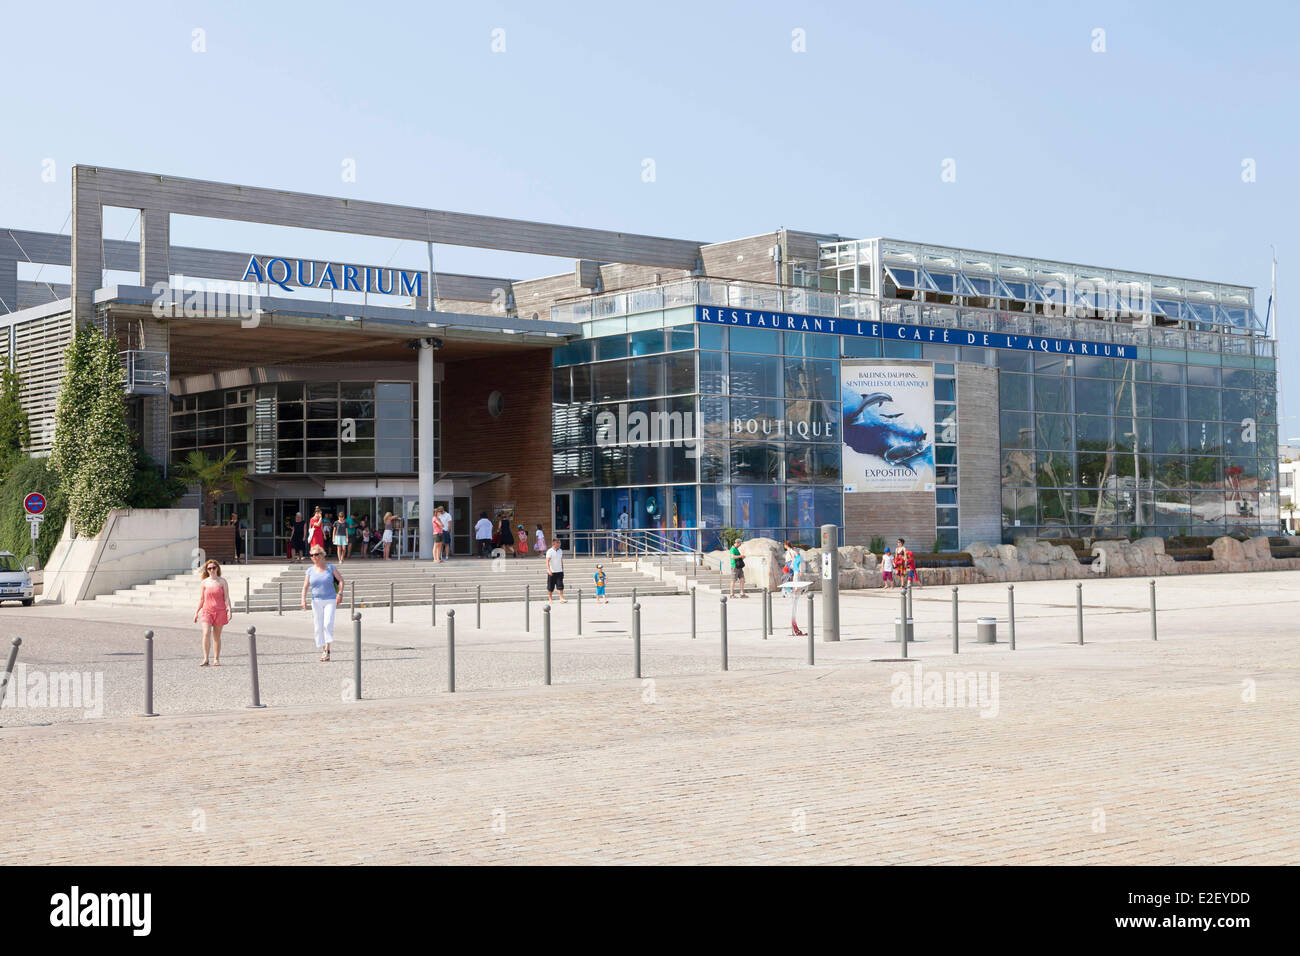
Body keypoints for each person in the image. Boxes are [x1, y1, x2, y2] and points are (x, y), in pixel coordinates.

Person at [301, 545, 344, 662]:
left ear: (321, 555)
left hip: (330, 599)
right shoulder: (309, 570)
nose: (314, 557)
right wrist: (303, 600)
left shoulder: (330, 568)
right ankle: (323, 648)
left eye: (316, 554)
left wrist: (340, 594)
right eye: (311, 555)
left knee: (327, 623)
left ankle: (327, 650)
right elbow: (305, 586)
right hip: (316, 600)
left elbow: (340, 580)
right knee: (318, 626)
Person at [194, 558, 232, 666]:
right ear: (207, 570)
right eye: (209, 568)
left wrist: (229, 610)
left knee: (216, 636)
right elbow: (201, 599)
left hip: (220, 611)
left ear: (217, 568)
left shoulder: (222, 581)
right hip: (207, 611)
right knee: (206, 633)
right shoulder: (204, 583)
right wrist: (196, 612)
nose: (212, 570)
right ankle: (205, 658)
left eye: (213, 568)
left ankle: (216, 659)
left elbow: (226, 597)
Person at [545, 537, 567, 603]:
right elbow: (547, 561)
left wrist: (562, 569)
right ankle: (550, 599)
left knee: (560, 585)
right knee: (550, 586)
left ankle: (561, 598)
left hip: (559, 571)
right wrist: (548, 570)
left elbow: (561, 560)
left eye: (560, 542)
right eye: (558, 542)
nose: (560, 544)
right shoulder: (549, 551)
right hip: (552, 571)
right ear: (554, 543)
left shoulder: (560, 551)